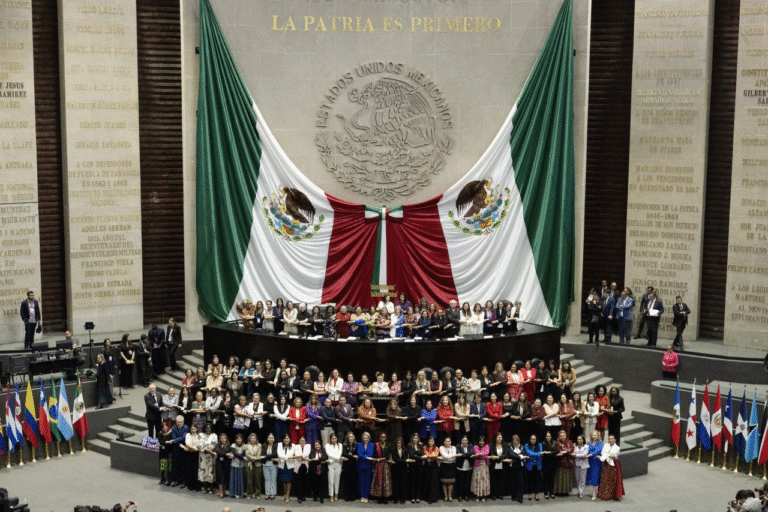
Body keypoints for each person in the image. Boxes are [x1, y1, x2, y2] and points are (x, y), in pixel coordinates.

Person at [596, 434, 624, 501]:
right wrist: (607, 455)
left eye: (612, 439)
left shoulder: (617, 447)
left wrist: (606, 454)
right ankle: (604, 494)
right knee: (605, 478)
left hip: (614, 464)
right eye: (609, 439)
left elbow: (613, 456)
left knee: (613, 479)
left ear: (615, 440)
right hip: (606, 463)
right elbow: (602, 453)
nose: (610, 440)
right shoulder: (606, 445)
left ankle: (613, 495)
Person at [371, 432, 393, 504]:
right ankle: (379, 497)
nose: (383, 439)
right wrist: (379, 459)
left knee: (385, 482)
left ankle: (385, 497)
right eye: (381, 437)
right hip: (378, 465)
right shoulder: (376, 445)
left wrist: (382, 459)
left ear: (386, 438)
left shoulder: (389, 445)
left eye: (384, 437)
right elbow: (374, 454)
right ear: (379, 438)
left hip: (386, 465)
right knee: (378, 481)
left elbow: (388, 455)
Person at [169, 415, 190, 488]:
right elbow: (174, 437)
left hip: (183, 449)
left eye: (180, 422)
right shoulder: (173, 428)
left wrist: (175, 441)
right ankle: (176, 480)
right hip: (176, 448)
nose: (179, 424)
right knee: (175, 465)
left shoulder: (186, 428)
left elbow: (184, 437)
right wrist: (178, 443)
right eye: (178, 422)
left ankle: (183, 481)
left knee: (183, 465)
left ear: (183, 422)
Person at [553, 429, 574, 496]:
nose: (562, 437)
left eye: (563, 436)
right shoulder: (556, 442)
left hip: (568, 462)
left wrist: (564, 451)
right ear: (559, 436)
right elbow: (557, 450)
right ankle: (558, 491)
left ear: (566, 436)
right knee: (559, 477)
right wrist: (565, 451)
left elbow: (571, 449)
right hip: (560, 462)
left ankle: (566, 491)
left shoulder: (569, 441)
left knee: (567, 477)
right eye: (561, 436)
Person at [507, 434, 527, 503]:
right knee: (513, 482)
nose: (515, 442)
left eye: (517, 440)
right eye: (514, 441)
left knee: (520, 483)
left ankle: (520, 497)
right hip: (513, 467)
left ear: (519, 440)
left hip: (520, 467)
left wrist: (514, 459)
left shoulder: (522, 447)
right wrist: (520, 457)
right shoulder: (510, 447)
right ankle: (513, 496)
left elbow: (523, 454)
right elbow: (511, 454)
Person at [199, 423, 218, 494]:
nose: (208, 429)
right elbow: (200, 444)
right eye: (206, 428)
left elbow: (213, 444)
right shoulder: (200, 435)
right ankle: (204, 487)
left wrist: (207, 449)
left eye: (209, 428)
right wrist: (206, 449)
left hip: (211, 456)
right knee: (203, 470)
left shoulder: (214, 435)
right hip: (203, 456)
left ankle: (211, 487)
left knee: (211, 471)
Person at [421, 436, 441, 504]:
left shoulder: (436, 448)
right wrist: (431, 455)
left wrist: (429, 455)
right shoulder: (424, 447)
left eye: (432, 441)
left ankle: (433, 497)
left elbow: (435, 454)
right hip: (427, 465)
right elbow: (425, 453)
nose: (431, 442)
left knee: (433, 482)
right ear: (428, 442)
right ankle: (427, 497)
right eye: (430, 441)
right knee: (427, 481)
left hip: (434, 465)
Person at [357, 431, 375, 503]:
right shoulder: (359, 444)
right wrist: (366, 457)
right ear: (362, 438)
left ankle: (366, 496)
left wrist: (364, 456)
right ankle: (362, 496)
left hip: (369, 465)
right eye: (364, 438)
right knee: (361, 481)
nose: (365, 439)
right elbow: (359, 453)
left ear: (369, 438)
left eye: (366, 438)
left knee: (367, 482)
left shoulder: (372, 445)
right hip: (361, 465)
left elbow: (371, 453)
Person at [523, 434, 543, 501]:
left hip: (537, 465)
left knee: (536, 480)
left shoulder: (540, 445)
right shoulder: (526, 445)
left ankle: (536, 493)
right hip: (530, 465)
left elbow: (541, 453)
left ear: (536, 439)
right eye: (531, 439)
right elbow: (529, 453)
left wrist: (537, 454)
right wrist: (538, 454)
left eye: (534, 439)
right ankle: (530, 493)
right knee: (530, 480)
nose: (533, 440)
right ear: (529, 439)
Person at [488, 432, 507, 500]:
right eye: (498, 437)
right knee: (494, 480)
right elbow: (492, 455)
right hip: (494, 465)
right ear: (495, 438)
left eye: (501, 437)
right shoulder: (492, 444)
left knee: (501, 480)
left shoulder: (504, 444)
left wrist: (498, 457)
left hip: (502, 465)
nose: (500, 439)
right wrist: (497, 457)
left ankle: (500, 494)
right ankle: (494, 494)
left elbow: (505, 454)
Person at [471, 436, 490, 501]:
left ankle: (483, 495)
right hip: (477, 466)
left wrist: (479, 455)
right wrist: (481, 455)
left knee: (484, 480)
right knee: (477, 480)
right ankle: (477, 495)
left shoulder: (487, 446)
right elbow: (477, 453)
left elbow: (486, 453)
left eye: (483, 441)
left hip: (485, 466)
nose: (481, 442)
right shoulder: (475, 447)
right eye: (480, 441)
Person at [183, 424, 202, 492]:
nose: (193, 430)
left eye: (194, 428)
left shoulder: (199, 436)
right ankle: (190, 486)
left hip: (196, 454)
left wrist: (193, 448)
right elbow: (187, 443)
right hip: (189, 453)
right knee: (189, 469)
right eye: (192, 429)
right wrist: (193, 448)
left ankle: (196, 486)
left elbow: (199, 445)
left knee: (195, 470)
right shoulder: (188, 435)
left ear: (197, 429)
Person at [341, 431, 359, 502]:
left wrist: (350, 457)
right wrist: (352, 456)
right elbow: (344, 453)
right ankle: (346, 496)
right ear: (347, 438)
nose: (350, 438)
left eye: (352, 436)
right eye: (349, 437)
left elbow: (357, 455)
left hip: (354, 465)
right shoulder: (344, 445)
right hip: (346, 465)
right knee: (346, 481)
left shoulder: (357, 445)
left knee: (353, 481)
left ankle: (353, 496)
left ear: (354, 437)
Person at [438, 436, 456, 502]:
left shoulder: (453, 447)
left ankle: (450, 496)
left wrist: (448, 457)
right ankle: (445, 496)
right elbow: (446, 456)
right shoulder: (441, 447)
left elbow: (453, 456)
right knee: (444, 482)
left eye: (449, 441)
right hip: (444, 465)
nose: (447, 443)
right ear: (444, 442)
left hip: (451, 465)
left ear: (451, 442)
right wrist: (450, 457)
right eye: (446, 441)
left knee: (451, 482)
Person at [406, 432, 423, 503]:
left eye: (417, 438)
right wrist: (418, 454)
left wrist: (417, 454)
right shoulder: (409, 445)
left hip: (419, 465)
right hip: (412, 465)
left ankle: (418, 496)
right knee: (412, 481)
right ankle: (412, 497)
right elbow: (411, 455)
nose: (415, 439)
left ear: (418, 439)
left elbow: (422, 454)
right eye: (414, 438)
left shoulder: (421, 445)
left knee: (418, 481)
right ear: (412, 438)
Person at [277, 434, 295, 503]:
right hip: (282, 464)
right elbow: (279, 454)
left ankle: (288, 495)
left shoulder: (293, 446)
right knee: (284, 480)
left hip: (289, 465)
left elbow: (291, 454)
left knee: (289, 481)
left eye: (287, 438)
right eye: (285, 438)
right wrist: (286, 457)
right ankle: (285, 494)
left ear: (290, 439)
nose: (286, 440)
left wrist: (284, 457)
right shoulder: (279, 445)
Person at [391, 436, 409, 504]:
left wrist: (402, 461)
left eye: (400, 443)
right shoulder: (393, 450)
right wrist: (404, 460)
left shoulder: (405, 450)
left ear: (402, 444)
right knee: (396, 484)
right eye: (398, 443)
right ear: (396, 444)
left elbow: (404, 459)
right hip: (395, 469)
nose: (399, 444)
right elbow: (395, 459)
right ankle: (396, 499)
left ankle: (402, 499)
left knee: (403, 484)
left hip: (403, 469)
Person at [325, 432, 343, 502]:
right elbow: (329, 454)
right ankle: (331, 495)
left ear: (337, 439)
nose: (334, 440)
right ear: (330, 439)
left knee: (337, 481)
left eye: (335, 438)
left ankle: (336, 494)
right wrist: (338, 458)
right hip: (331, 465)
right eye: (332, 438)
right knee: (330, 481)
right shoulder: (327, 445)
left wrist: (333, 459)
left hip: (338, 464)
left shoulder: (340, 445)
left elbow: (339, 453)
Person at [587, 429, 604, 500]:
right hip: (590, 461)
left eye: (595, 435)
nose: (594, 436)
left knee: (595, 476)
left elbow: (599, 450)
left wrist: (592, 454)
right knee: (591, 476)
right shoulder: (588, 443)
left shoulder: (600, 443)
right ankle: (595, 489)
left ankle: (594, 492)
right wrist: (592, 454)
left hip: (597, 462)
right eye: (593, 435)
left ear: (598, 436)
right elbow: (588, 451)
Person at [214, 433, 232, 498]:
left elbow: (230, 453)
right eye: (222, 438)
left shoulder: (229, 445)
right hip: (219, 463)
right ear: (220, 439)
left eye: (224, 438)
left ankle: (224, 490)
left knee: (225, 477)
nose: (223, 440)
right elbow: (218, 452)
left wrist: (224, 454)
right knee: (220, 478)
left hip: (226, 463)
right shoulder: (217, 445)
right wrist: (225, 454)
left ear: (226, 439)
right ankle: (220, 491)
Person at [541, 431, 557, 499]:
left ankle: (551, 492)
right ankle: (545, 493)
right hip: (546, 463)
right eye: (547, 436)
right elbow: (544, 452)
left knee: (552, 479)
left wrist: (549, 452)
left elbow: (557, 451)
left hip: (553, 463)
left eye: (549, 436)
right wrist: (552, 453)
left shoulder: (554, 443)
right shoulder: (543, 443)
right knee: (546, 479)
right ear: (545, 437)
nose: (548, 437)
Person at [262, 432, 278, 500]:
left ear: (274, 439)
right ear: (267, 439)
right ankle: (267, 494)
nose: (270, 439)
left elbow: (276, 454)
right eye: (269, 437)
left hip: (273, 464)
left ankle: (273, 494)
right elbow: (262, 454)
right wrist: (269, 457)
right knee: (267, 479)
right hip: (265, 464)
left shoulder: (276, 445)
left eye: (272, 438)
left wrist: (267, 456)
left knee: (273, 479)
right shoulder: (264, 445)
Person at [573, 434, 590, 498]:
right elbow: (580, 455)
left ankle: (581, 492)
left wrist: (576, 455)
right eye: (578, 439)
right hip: (577, 464)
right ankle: (579, 491)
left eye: (580, 439)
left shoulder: (586, 446)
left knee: (582, 479)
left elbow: (584, 454)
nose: (579, 440)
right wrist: (580, 456)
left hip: (584, 465)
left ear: (583, 440)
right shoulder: (575, 446)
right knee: (577, 479)